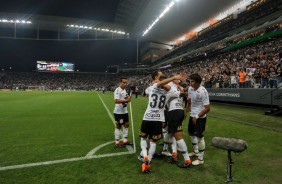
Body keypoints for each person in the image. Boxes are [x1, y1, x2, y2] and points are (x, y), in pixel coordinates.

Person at [139, 71, 186, 173]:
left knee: (143, 139)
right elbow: (180, 92)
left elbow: (148, 90)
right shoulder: (169, 90)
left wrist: (156, 82)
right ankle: (148, 162)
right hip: (158, 119)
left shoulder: (153, 87)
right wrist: (178, 85)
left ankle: (144, 155)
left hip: (147, 117)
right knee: (153, 141)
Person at [185, 73, 210, 166]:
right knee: (191, 133)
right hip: (192, 115)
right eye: (190, 81)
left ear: (198, 82)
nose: (190, 83)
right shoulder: (190, 88)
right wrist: (185, 111)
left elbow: (207, 108)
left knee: (200, 137)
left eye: (192, 81)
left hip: (200, 117)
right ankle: (195, 152)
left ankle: (200, 159)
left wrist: (197, 116)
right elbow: (189, 101)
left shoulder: (203, 91)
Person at [167, 78, 192, 168]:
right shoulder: (179, 88)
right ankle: (174, 154)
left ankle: (187, 159)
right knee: (173, 134)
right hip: (179, 111)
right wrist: (185, 111)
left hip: (173, 111)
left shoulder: (170, 85)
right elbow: (188, 100)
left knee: (177, 136)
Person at [113, 77, 131, 147]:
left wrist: (129, 97)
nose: (125, 84)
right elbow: (116, 101)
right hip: (118, 112)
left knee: (126, 125)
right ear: (120, 82)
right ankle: (117, 142)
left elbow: (127, 97)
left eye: (126, 82)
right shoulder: (117, 90)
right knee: (118, 126)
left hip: (125, 111)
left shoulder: (124, 90)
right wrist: (126, 100)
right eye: (124, 82)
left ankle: (125, 140)